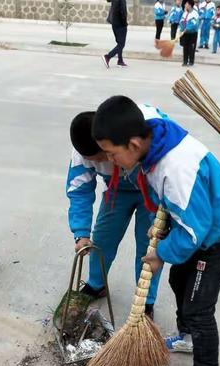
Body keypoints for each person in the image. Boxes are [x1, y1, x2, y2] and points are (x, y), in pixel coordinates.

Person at [92, 96, 220, 366]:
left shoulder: (175, 170)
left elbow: (193, 231)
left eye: (112, 153)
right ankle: (187, 336)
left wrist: (162, 251)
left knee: (199, 307)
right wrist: (164, 228)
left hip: (215, 238)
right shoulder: (154, 134)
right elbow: (180, 210)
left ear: (134, 144)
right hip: (198, 226)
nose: (110, 160)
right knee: (179, 282)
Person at [67, 112, 162, 318]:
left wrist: (160, 220)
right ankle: (96, 284)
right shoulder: (81, 152)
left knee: (149, 247)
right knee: (102, 239)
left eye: (104, 156)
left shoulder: (139, 128)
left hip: (152, 189)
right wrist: (81, 233)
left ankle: (145, 300)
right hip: (116, 190)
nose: (105, 161)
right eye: (96, 160)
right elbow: (79, 190)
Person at [102, 0, 128, 68]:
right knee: (121, 44)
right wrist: (124, 23)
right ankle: (107, 57)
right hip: (120, 24)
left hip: (114, 23)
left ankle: (120, 61)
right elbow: (122, 10)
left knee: (119, 43)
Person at [179, 0, 199, 66]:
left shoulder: (195, 14)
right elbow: (181, 21)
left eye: (186, 4)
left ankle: (191, 61)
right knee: (185, 47)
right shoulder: (185, 13)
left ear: (190, 5)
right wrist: (181, 29)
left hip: (192, 34)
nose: (185, 5)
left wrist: (187, 29)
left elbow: (194, 24)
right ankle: (185, 61)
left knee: (191, 48)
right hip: (185, 33)